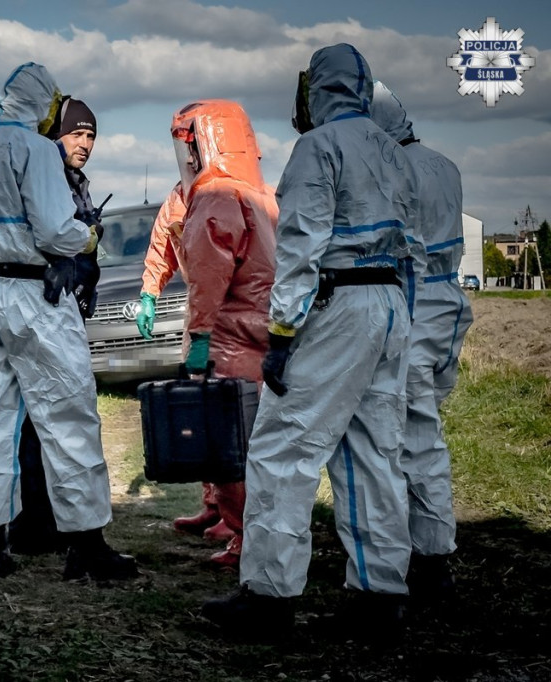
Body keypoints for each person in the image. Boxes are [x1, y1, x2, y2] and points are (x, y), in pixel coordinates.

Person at [201, 43, 424, 639]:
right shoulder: (393, 151)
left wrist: (281, 335)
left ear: (315, 90)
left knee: (283, 449)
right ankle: (380, 597)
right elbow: (417, 246)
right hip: (389, 306)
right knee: (374, 454)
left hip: (335, 305)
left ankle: (267, 597)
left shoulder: (317, 148)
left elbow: (300, 248)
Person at [0, 62, 137, 582]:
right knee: (68, 415)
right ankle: (87, 547)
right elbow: (55, 232)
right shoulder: (35, 150)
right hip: (34, 293)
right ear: (46, 106)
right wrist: (87, 238)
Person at [138, 101, 278, 569]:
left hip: (227, 335)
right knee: (236, 437)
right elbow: (165, 246)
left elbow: (209, 276)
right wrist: (149, 291)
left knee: (227, 441)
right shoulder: (256, 194)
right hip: (255, 332)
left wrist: (199, 337)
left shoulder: (214, 198)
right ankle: (223, 514)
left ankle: (243, 538)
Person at [370, 81, 474, 601]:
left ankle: (430, 557)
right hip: (450, 301)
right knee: (424, 427)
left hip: (415, 301)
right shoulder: (445, 165)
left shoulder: (395, 170)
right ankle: (424, 548)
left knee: (413, 436)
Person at [7, 96, 103, 556]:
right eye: (76, 134)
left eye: (90, 136)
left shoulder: (75, 181)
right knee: (49, 419)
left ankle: (45, 521)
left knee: (47, 418)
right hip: (43, 308)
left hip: (66, 308)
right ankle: (42, 521)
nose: (83, 143)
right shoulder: (45, 178)